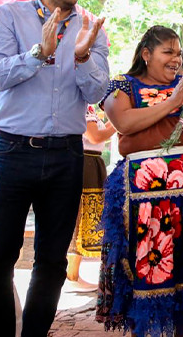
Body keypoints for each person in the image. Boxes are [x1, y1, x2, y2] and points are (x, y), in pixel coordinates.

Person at [0, 0, 109, 336]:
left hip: (67, 155)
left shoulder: (91, 27)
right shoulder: (6, 17)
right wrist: (40, 51)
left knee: (52, 260)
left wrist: (82, 56)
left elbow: (96, 92)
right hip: (13, 150)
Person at [96, 25, 183, 337]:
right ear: (146, 54)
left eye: (178, 52)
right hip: (142, 192)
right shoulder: (122, 85)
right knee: (146, 268)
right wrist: (172, 102)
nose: (176, 58)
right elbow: (123, 122)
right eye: (168, 52)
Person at [65, 104, 115, 290]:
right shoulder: (81, 109)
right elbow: (95, 136)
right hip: (84, 162)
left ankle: (73, 272)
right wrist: (119, 120)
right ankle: (71, 273)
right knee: (81, 214)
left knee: (85, 215)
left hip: (91, 161)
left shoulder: (89, 110)